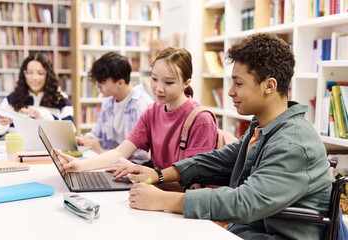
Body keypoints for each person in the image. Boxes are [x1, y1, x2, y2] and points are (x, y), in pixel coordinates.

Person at [114, 33, 333, 240]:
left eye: (239, 83)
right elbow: (217, 161)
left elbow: (245, 201)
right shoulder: (263, 129)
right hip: (246, 230)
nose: (230, 92)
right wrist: (159, 175)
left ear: (270, 85)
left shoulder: (293, 143)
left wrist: (164, 200)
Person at [56, 47, 218, 190]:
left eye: (168, 82)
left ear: (186, 83)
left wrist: (143, 172)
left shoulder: (201, 120)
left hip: (181, 201)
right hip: (155, 190)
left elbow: (194, 183)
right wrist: (79, 165)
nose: (158, 88)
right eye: (154, 79)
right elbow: (120, 151)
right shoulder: (152, 111)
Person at [76, 52, 153, 165]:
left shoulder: (141, 105)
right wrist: (84, 139)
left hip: (133, 168)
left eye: (102, 82)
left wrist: (100, 151)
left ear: (120, 82)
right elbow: (96, 134)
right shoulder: (108, 103)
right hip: (111, 163)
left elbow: (141, 155)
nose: (97, 86)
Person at [0, 52, 73, 139]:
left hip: (51, 151)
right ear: (24, 74)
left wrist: (45, 116)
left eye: (40, 73)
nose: (34, 78)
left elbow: (70, 134)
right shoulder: (12, 99)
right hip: (18, 150)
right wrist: (1, 124)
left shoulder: (61, 99)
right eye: (29, 72)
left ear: (48, 75)